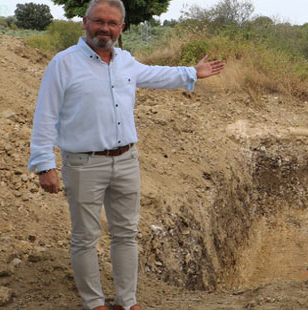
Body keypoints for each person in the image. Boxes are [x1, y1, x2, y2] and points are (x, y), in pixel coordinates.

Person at [27, 0, 225, 309]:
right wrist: (43, 164)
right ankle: (94, 304)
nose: (104, 28)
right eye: (98, 21)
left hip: (126, 161)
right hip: (83, 163)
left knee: (126, 235)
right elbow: (45, 116)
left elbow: (157, 75)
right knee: (85, 237)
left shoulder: (126, 61)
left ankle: (126, 301)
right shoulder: (63, 63)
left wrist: (192, 73)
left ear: (121, 28)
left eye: (111, 23)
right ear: (85, 22)